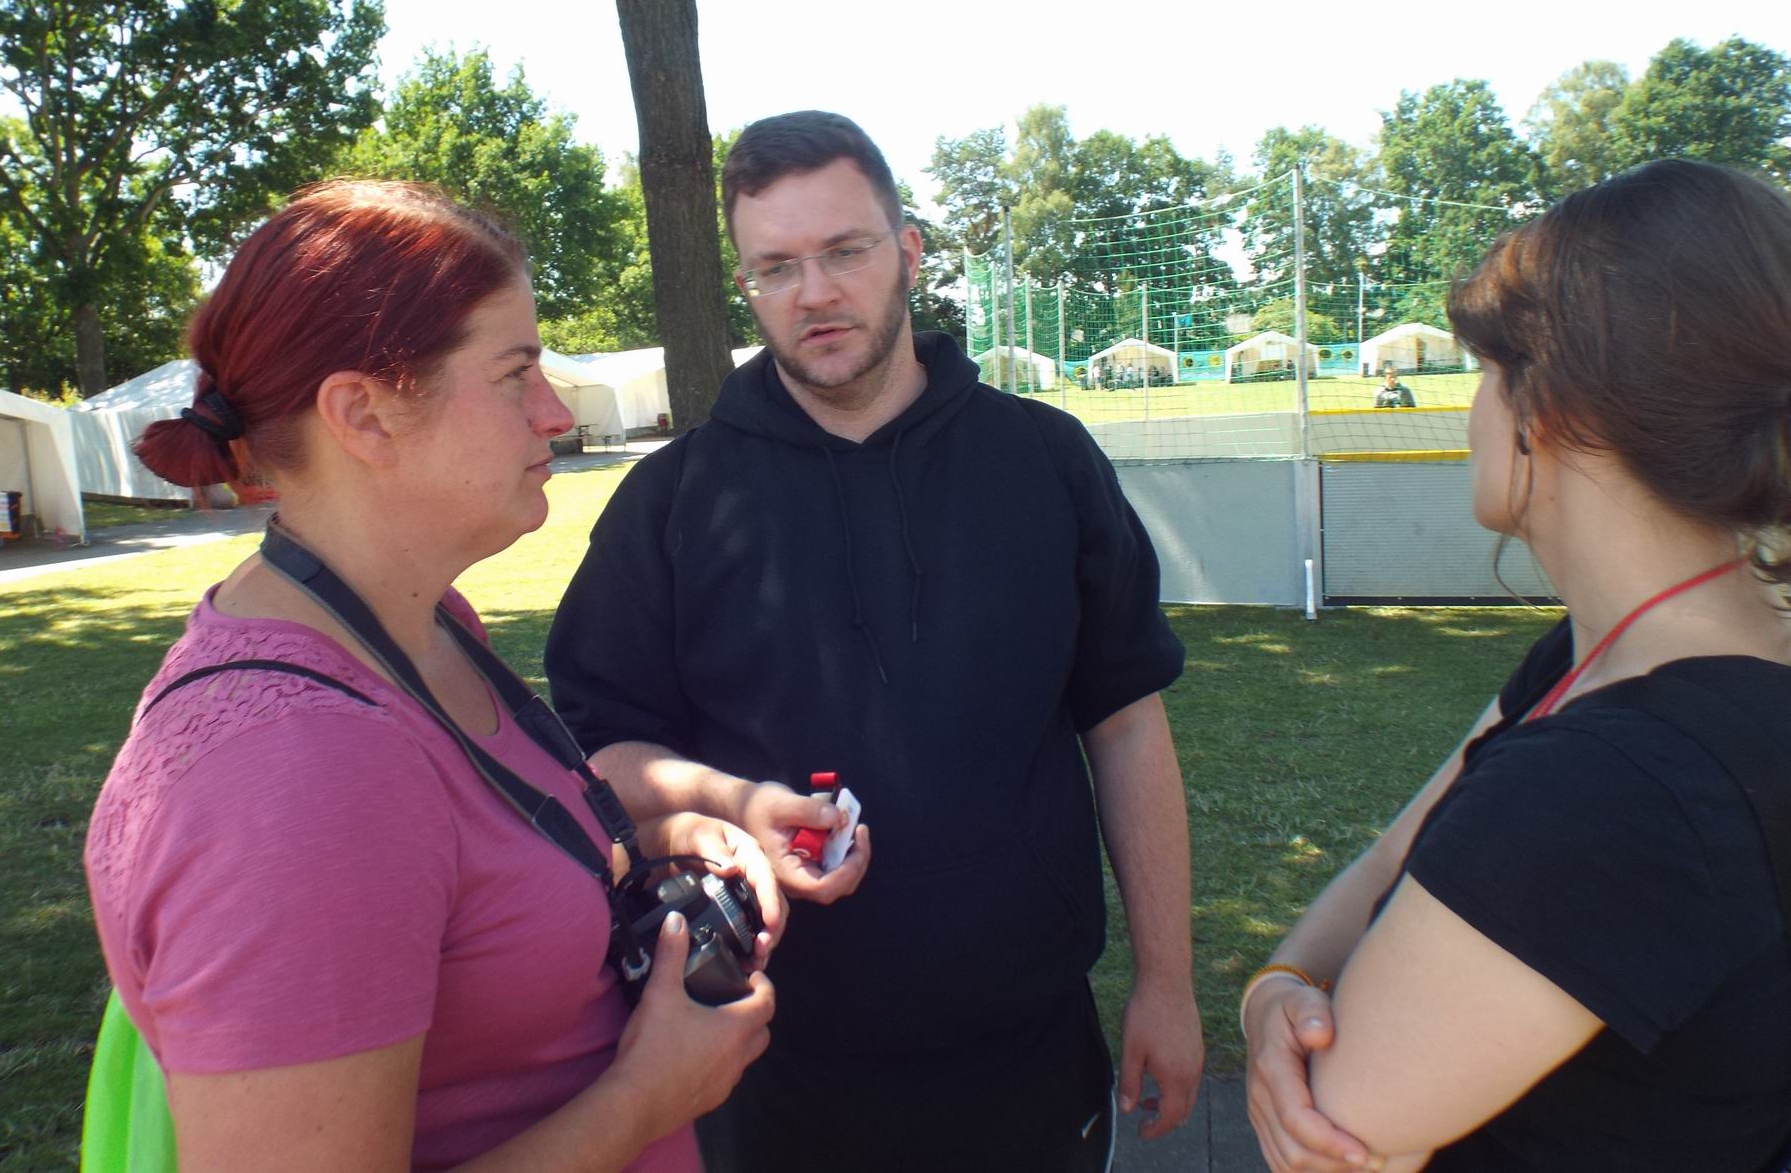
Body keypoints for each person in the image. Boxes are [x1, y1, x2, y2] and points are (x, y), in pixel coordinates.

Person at [544, 111, 1203, 1172]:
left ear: (907, 252)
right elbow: (598, 761)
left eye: (844, 251)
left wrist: (1166, 982)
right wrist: (735, 812)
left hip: (1025, 1055)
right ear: (747, 286)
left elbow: (1125, 725)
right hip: (761, 1062)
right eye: (776, 267)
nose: (813, 292)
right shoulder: (672, 503)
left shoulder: (1043, 461)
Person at [84, 181, 776, 1172]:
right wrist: (644, 1098)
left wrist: (656, 835)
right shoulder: (296, 772)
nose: (553, 413)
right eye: (515, 374)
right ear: (363, 413)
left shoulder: (421, 625)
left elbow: (460, 868)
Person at [1242, 159, 1791, 1173]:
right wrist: (1276, 984)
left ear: (1556, 407)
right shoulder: (1597, 662)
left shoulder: (1617, 781)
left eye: (1488, 373)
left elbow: (1328, 1132)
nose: (1474, 413)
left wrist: (1287, 1003)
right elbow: (1388, 861)